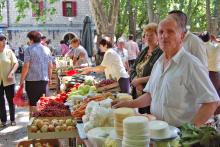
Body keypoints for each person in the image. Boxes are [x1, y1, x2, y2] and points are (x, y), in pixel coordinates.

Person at [113, 16, 219, 127]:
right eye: (161, 32)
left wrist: (189, 132)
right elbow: (151, 95)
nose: (164, 36)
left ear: (181, 37)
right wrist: (129, 104)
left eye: (170, 31)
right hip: (159, 133)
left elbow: (212, 102)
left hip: (179, 139)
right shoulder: (158, 63)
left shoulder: (191, 64)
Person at [130, 23, 163, 114]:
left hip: (150, 95)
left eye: (151, 35)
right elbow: (132, 69)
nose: (148, 37)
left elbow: (159, 75)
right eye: (146, 35)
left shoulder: (161, 53)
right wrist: (135, 81)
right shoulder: (143, 51)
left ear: (158, 36)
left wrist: (140, 81)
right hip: (137, 93)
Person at [20, 31, 52, 109]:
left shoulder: (29, 49)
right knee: (43, 104)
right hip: (44, 80)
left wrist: (21, 80)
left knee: (33, 105)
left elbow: (26, 66)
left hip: (32, 82)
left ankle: (32, 119)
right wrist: (50, 78)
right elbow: (50, 65)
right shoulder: (47, 49)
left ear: (31, 39)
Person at [0, 34, 18, 127]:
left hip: (9, 80)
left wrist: (12, 72)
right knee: (1, 102)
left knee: (11, 101)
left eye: (4, 41)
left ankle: (12, 119)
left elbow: (16, 63)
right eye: (2, 41)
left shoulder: (9, 52)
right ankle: (3, 120)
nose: (4, 42)